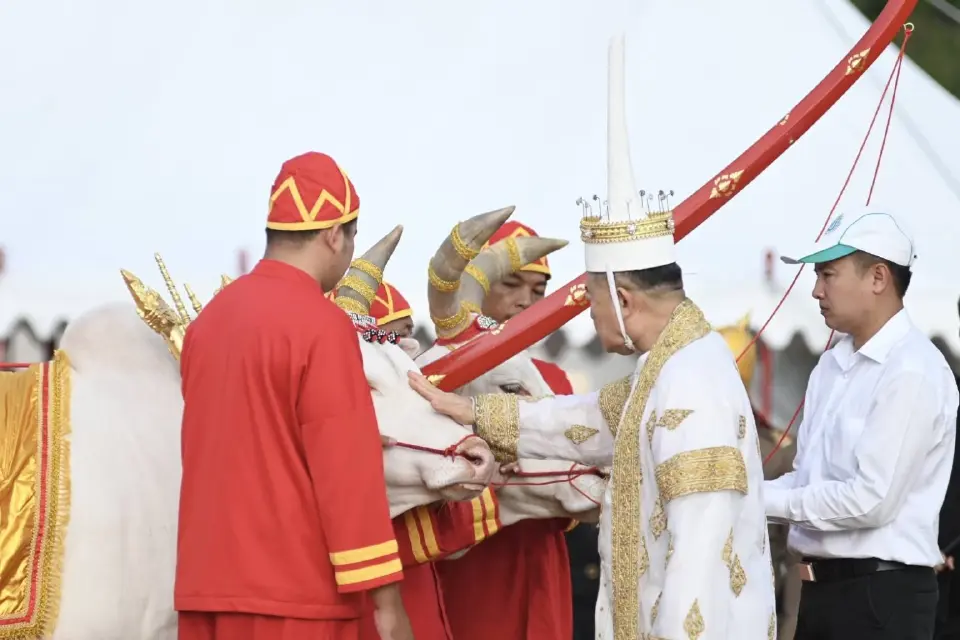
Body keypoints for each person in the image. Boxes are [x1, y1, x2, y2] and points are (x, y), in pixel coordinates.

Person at [409, 34, 775, 639]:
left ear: (625, 301)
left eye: (594, 303)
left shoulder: (691, 385)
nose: (587, 319)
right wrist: (470, 410)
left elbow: (699, 559)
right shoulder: (670, 367)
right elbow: (580, 422)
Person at [175, 151, 413, 640]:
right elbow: (346, 473)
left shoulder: (207, 323)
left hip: (207, 592)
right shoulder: (321, 325)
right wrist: (387, 603)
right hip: (296, 599)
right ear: (334, 235)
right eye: (352, 239)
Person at [764, 207, 959, 639]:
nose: (816, 291)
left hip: (881, 598)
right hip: (825, 592)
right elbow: (808, 479)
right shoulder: (831, 366)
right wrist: (737, 490)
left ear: (877, 278)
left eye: (827, 275)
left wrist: (753, 501)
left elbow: (869, 500)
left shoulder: (912, 369)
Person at [433, 219, 581, 640]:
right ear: (475, 286)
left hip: (542, 560)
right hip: (474, 566)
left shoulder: (556, 380)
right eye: (511, 285)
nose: (525, 302)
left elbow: (578, 492)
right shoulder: (441, 379)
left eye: (538, 292)